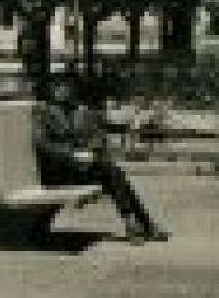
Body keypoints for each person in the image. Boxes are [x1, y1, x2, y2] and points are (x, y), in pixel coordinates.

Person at [36, 75, 169, 244]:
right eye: (58, 87)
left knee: (114, 174)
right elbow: (42, 144)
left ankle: (135, 224)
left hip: (81, 169)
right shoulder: (43, 112)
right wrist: (72, 154)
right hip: (58, 172)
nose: (62, 91)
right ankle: (144, 225)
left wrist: (91, 150)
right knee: (113, 174)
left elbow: (98, 136)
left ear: (72, 91)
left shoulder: (81, 111)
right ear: (51, 90)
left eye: (66, 87)